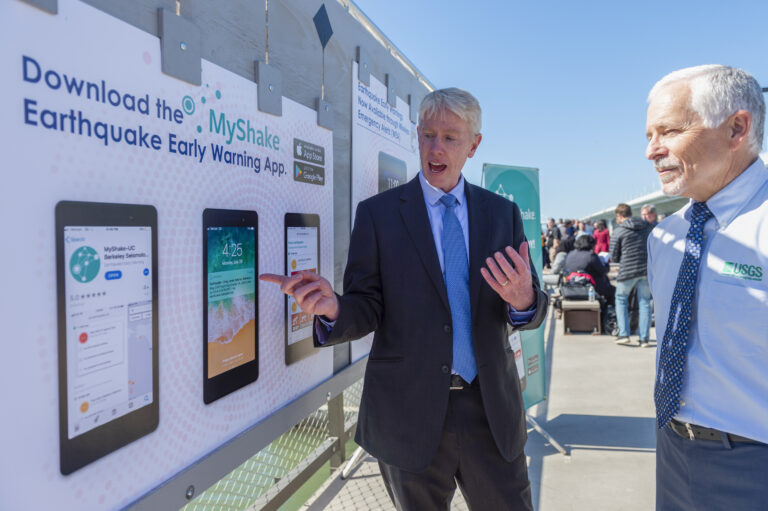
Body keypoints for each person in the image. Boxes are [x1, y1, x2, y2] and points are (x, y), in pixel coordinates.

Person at [262, 88, 548, 510]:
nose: (435, 147)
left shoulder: (500, 214)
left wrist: (524, 299)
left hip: (490, 411)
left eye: (450, 137)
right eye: (427, 134)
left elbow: (531, 307)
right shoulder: (378, 215)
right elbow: (366, 305)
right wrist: (334, 309)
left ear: (474, 144)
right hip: (407, 413)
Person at [645, 65, 768, 511]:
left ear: (737, 128)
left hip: (755, 463)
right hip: (672, 449)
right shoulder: (665, 236)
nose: (651, 151)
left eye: (669, 131)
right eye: (648, 135)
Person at [610, 203, 652, 347]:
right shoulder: (647, 227)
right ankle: (644, 338)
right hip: (646, 270)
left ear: (620, 216)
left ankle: (623, 334)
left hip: (627, 271)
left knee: (621, 299)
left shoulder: (619, 230)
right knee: (645, 302)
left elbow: (614, 256)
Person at [563, 234, 614, 308]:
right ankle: (605, 313)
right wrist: (606, 265)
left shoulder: (570, 254)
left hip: (573, 286)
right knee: (613, 291)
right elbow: (602, 271)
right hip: (590, 286)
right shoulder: (591, 255)